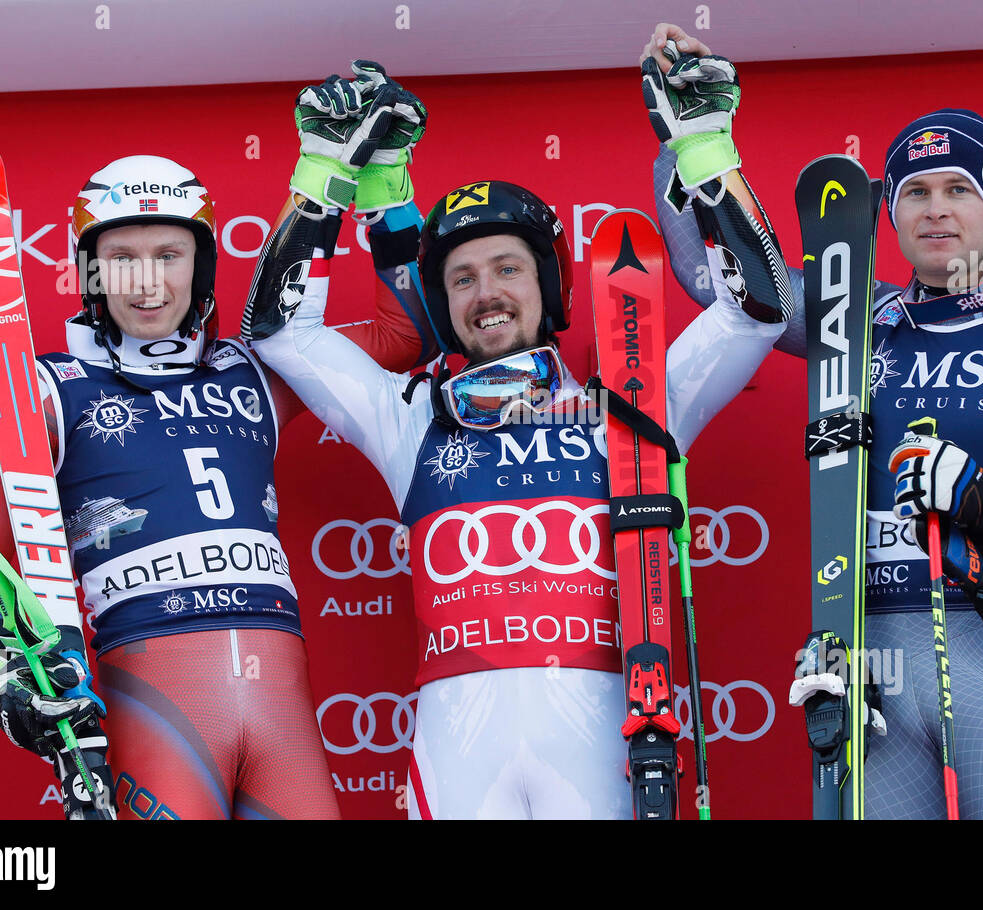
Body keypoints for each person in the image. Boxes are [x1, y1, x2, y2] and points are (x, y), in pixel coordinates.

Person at [248, 58, 797, 818]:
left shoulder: (638, 405)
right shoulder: (408, 416)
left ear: (550, 285)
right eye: (462, 279)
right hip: (456, 749)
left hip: (610, 732)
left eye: (508, 268)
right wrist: (328, 173)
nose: (486, 294)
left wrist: (706, 150)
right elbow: (279, 334)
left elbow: (756, 311)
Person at [646, 24, 983, 818]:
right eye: (915, 193)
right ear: (889, 212)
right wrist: (691, 147)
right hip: (865, 647)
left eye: (958, 188)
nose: (935, 210)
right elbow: (716, 280)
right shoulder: (859, 312)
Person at [0, 68, 434, 819]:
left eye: (168, 255)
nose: (146, 281)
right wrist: (13, 674)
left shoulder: (258, 367)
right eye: (121, 258)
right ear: (88, 272)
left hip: (282, 708)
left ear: (201, 264)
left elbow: (406, 336)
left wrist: (387, 187)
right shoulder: (40, 386)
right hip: (154, 701)